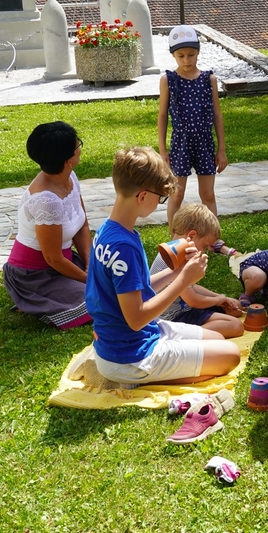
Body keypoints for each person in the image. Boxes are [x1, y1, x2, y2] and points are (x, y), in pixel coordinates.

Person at [86, 146, 241, 386]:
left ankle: (148, 372)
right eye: (161, 197)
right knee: (230, 355)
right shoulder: (123, 246)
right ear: (142, 197)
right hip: (130, 356)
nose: (160, 203)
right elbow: (136, 318)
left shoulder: (110, 229)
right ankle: (139, 380)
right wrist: (184, 281)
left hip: (130, 339)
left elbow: (137, 287)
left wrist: (176, 271)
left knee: (218, 339)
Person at [2, 122, 92, 329]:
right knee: (102, 301)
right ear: (68, 160)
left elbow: (82, 226)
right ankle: (33, 300)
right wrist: (90, 280)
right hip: (36, 275)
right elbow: (53, 258)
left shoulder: (70, 176)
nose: (80, 148)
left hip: (65, 263)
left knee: (115, 281)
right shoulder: (46, 201)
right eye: (78, 145)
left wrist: (90, 265)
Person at [157, 25, 232, 233]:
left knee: (208, 194)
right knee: (176, 194)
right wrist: (162, 150)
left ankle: (212, 237)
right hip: (180, 144)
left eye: (191, 55)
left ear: (198, 51)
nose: (186, 60)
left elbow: (217, 115)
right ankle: (174, 238)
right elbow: (162, 115)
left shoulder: (209, 80)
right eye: (180, 56)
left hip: (204, 144)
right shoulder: (168, 80)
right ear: (173, 55)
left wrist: (221, 149)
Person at [148, 204, 244, 338]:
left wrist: (220, 297)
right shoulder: (175, 260)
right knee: (235, 325)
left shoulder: (177, 252)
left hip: (185, 309)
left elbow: (191, 287)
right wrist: (217, 300)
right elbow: (193, 300)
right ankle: (183, 337)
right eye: (204, 246)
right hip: (174, 317)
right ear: (192, 235)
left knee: (236, 306)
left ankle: (197, 331)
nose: (204, 251)